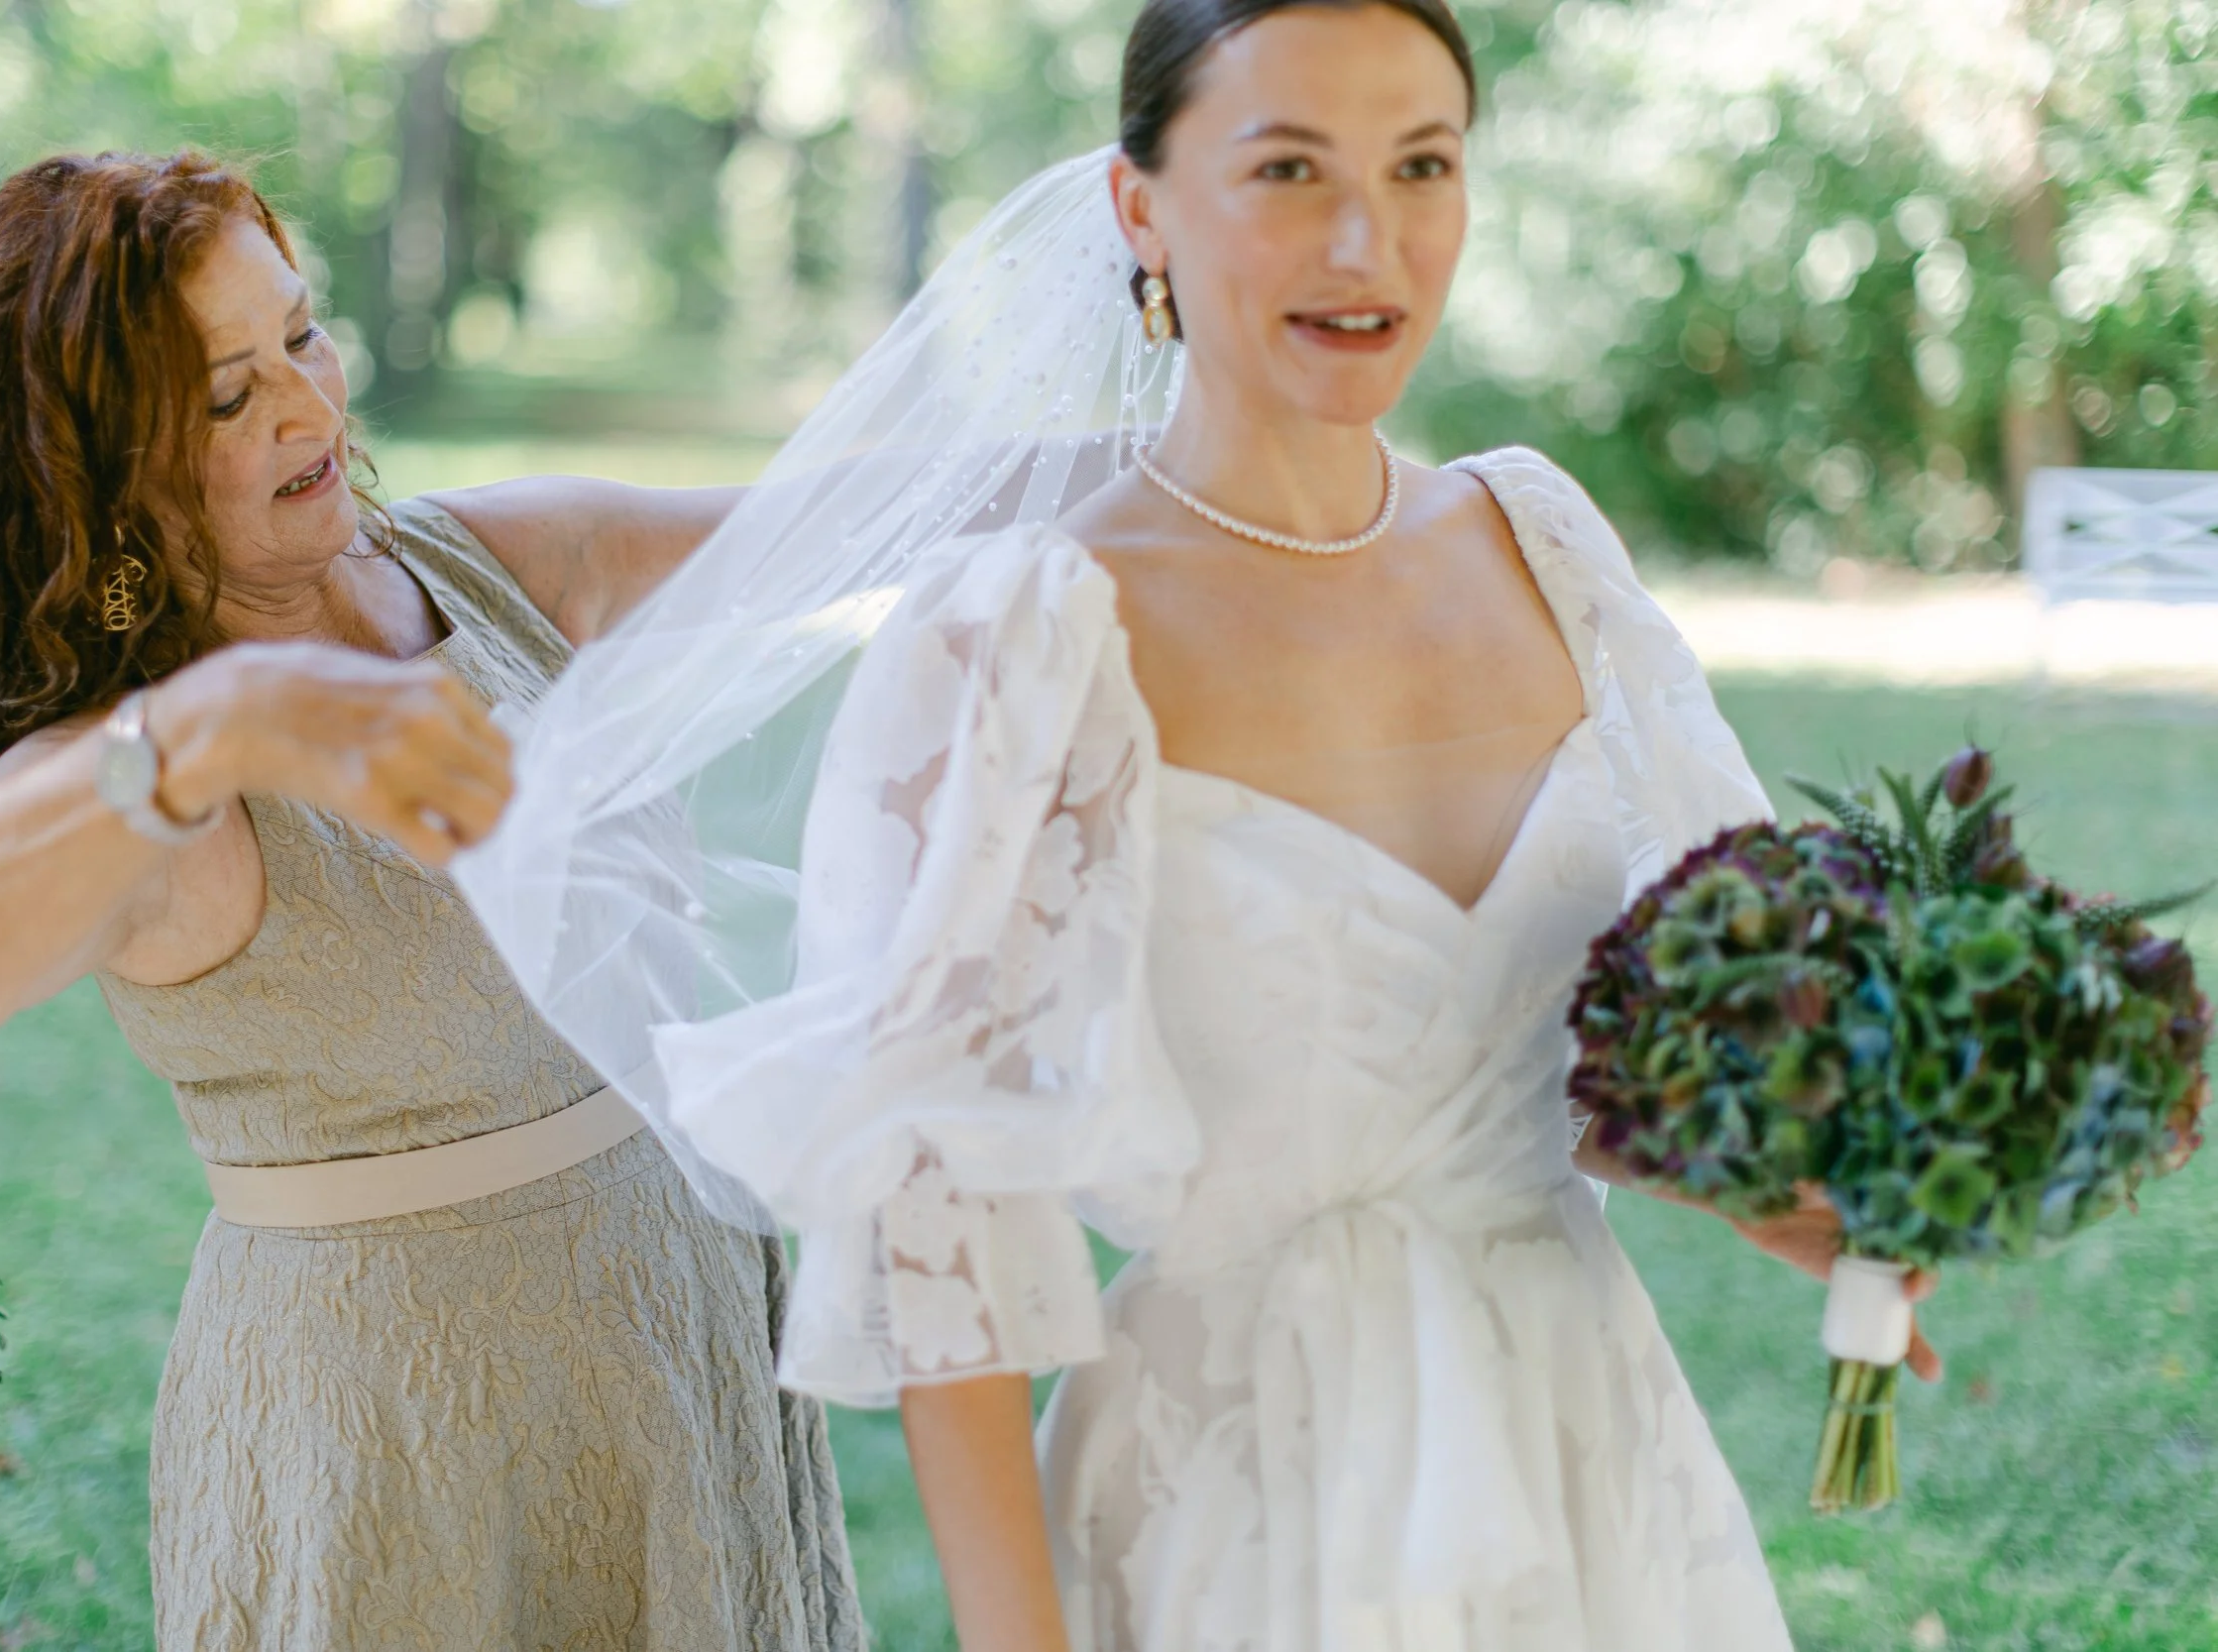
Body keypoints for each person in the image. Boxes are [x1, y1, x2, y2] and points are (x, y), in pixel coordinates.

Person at [460, 1, 1946, 1645]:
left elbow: (1599, 1041)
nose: (1367, 238)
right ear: (1139, 207)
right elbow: (953, 1220)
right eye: (1289, 168)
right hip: (1247, 1503)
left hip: (1592, 1461)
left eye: (1422, 164)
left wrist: (1760, 1183)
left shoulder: (1543, 541)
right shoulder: (1026, 635)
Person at [0, 151, 861, 1651]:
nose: (307, 411)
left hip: (683, 1360)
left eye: (301, 338)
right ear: (102, 465)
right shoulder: (143, 757)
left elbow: (858, 520)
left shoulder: (471, 563)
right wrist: (225, 720)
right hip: (405, 1459)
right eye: (226, 396)